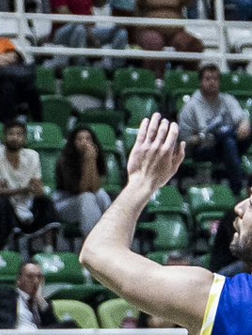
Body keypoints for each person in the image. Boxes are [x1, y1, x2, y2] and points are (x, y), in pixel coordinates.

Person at [81, 113, 252, 335]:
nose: (239, 208)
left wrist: (141, 183)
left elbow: (96, 252)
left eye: (251, 202)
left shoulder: (223, 301)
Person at [179, 64, 251, 192]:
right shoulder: (191, 107)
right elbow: (185, 140)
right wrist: (203, 137)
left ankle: (238, 185)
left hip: (229, 145)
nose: (212, 82)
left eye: (215, 79)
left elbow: (242, 118)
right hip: (203, 149)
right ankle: (237, 188)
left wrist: (244, 124)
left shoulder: (227, 99)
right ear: (201, 82)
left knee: (229, 139)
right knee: (227, 140)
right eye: (208, 79)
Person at [0, 121, 57, 245]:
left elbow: (37, 185)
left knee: (46, 202)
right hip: (7, 202)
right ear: (4, 137)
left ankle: (49, 250)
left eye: (19, 134)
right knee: (0, 203)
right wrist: (24, 189)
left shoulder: (33, 155)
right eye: (11, 134)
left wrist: (37, 190)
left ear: (25, 138)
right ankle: (4, 247)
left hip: (27, 200)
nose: (15, 138)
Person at [134, 0, 203, 77]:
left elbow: (189, 1)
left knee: (192, 44)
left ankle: (190, 77)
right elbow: (136, 10)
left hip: (175, 32)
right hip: (150, 30)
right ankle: (155, 79)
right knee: (154, 43)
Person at [54, 126, 112, 237]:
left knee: (101, 194)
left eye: (88, 139)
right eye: (79, 139)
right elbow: (82, 189)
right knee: (87, 196)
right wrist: (88, 161)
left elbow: (95, 188)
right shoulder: (64, 161)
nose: (84, 142)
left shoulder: (97, 158)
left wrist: (92, 161)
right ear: (73, 142)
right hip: (64, 203)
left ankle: (110, 235)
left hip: (87, 203)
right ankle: (92, 240)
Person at [0, 262, 60, 328]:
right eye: (30, 276)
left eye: (39, 277)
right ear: (19, 280)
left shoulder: (44, 304)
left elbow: (56, 330)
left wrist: (40, 301)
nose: (36, 281)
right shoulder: (3, 295)